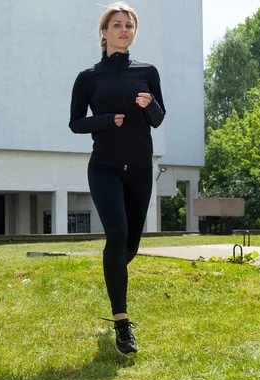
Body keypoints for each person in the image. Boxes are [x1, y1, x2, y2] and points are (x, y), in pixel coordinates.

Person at [68, 1, 166, 355]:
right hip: (104, 167)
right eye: (118, 25)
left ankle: (113, 272)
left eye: (129, 25)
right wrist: (107, 120)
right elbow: (76, 122)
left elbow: (158, 118)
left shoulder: (148, 71)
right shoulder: (89, 77)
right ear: (104, 33)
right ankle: (122, 325)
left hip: (139, 168)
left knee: (130, 246)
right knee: (118, 234)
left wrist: (148, 104)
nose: (125, 30)